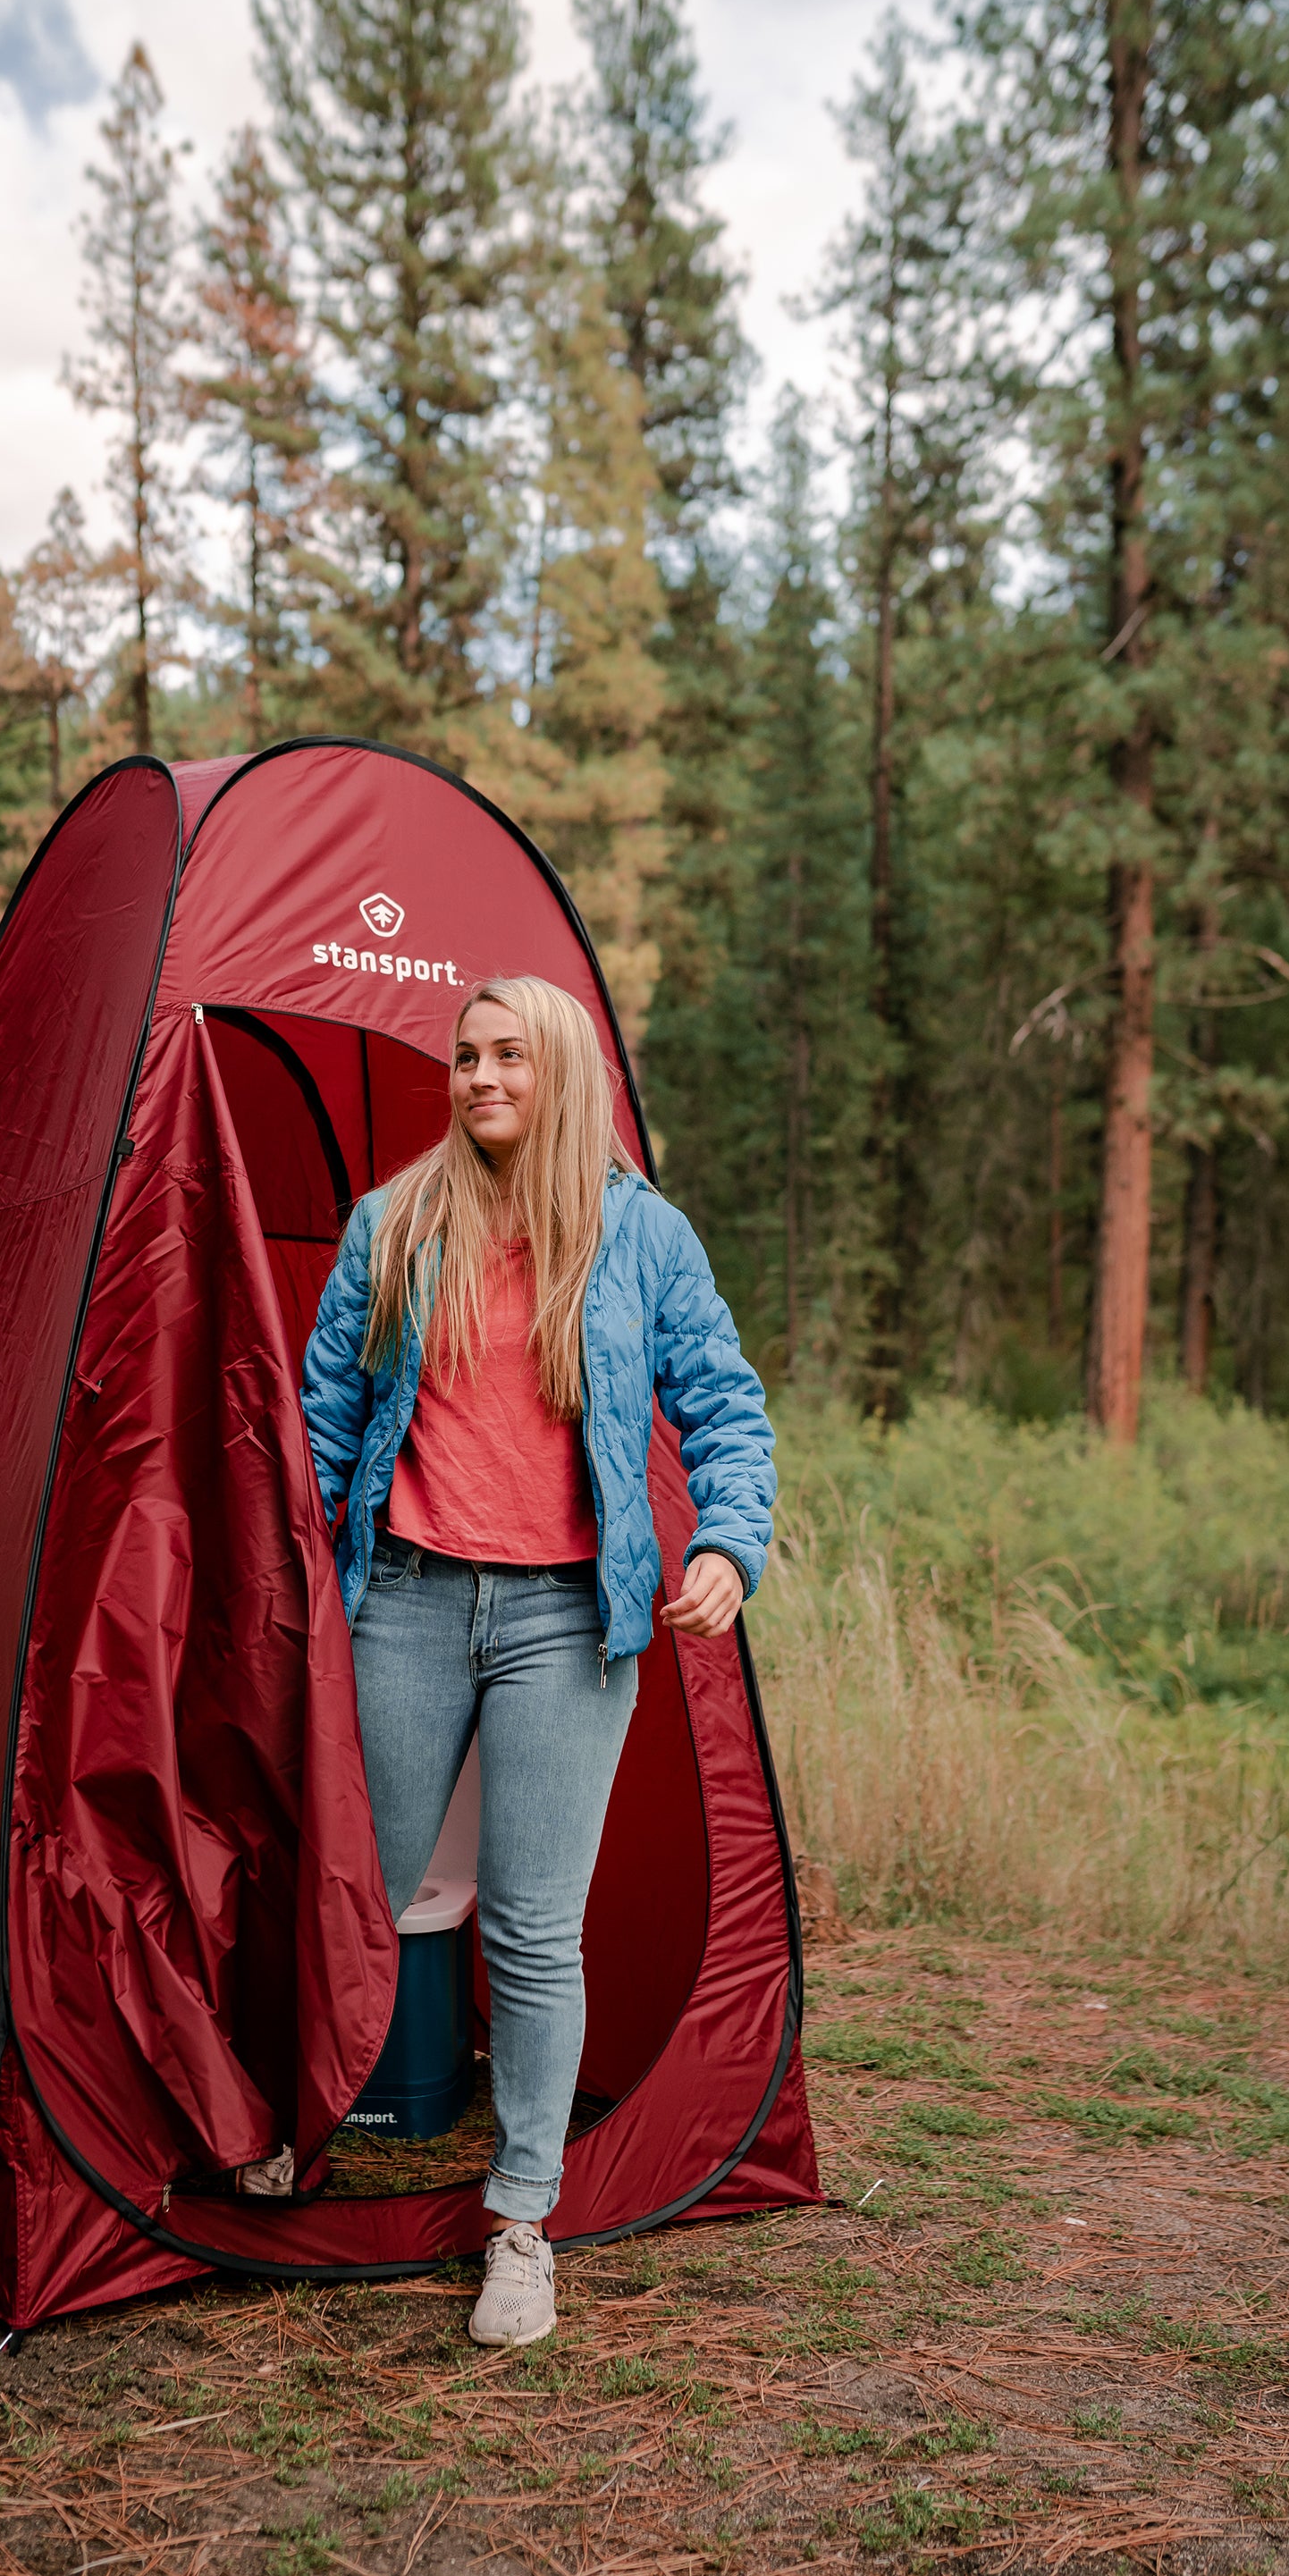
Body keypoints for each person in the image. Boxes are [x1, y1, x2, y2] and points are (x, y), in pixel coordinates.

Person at [256, 974, 776, 2350]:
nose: (480, 1078)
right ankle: (286, 2138)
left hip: (566, 1620)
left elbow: (722, 1397)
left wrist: (728, 1541)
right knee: (352, 1896)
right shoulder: (395, 1221)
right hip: (408, 1603)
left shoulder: (639, 1236)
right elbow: (324, 1411)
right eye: (465, 1057)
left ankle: (522, 2223)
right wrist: (298, 1562)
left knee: (533, 1928)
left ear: (560, 1072)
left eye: (507, 1057)